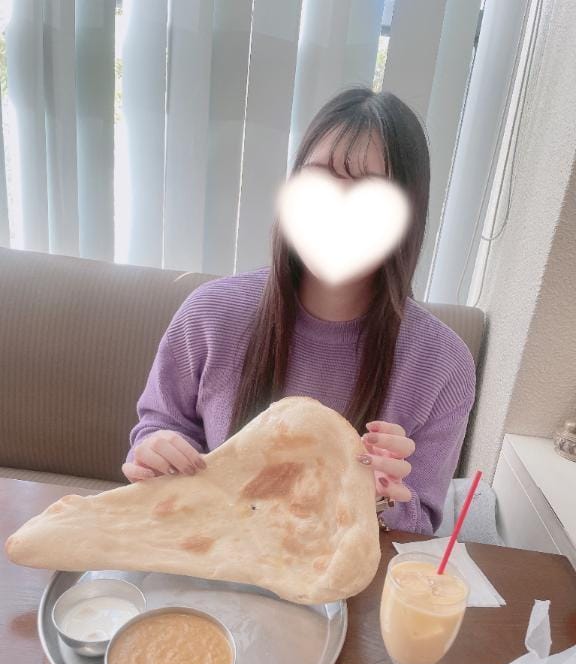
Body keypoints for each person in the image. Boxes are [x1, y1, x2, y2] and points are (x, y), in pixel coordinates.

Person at [123, 88, 475, 535]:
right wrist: (159, 450)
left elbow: (421, 524)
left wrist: (376, 496)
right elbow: (162, 425)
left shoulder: (442, 364)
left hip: (339, 571)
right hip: (212, 553)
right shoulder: (210, 315)